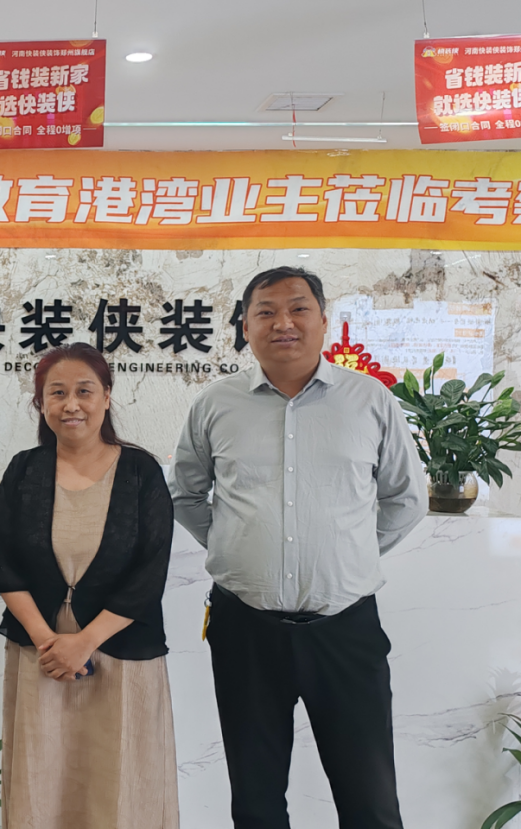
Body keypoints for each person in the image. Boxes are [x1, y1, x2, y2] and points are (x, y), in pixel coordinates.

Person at [168, 266, 427, 829]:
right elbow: (184, 493)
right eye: (265, 311)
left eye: (298, 308)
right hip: (245, 628)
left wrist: (349, 553)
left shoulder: (369, 400)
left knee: (371, 801)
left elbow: (406, 499)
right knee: (256, 801)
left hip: (346, 627)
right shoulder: (215, 404)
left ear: (323, 320)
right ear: (244, 326)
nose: (282, 322)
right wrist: (236, 545)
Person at [0, 342, 179, 829]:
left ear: (106, 397)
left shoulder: (140, 472)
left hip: (122, 656)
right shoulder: (24, 470)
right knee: (43, 783)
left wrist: (85, 642)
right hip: (42, 659)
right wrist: (50, 644)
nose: (71, 404)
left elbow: (150, 572)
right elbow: (3, 564)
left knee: (120, 785)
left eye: (84, 391)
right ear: (41, 403)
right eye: (57, 393)